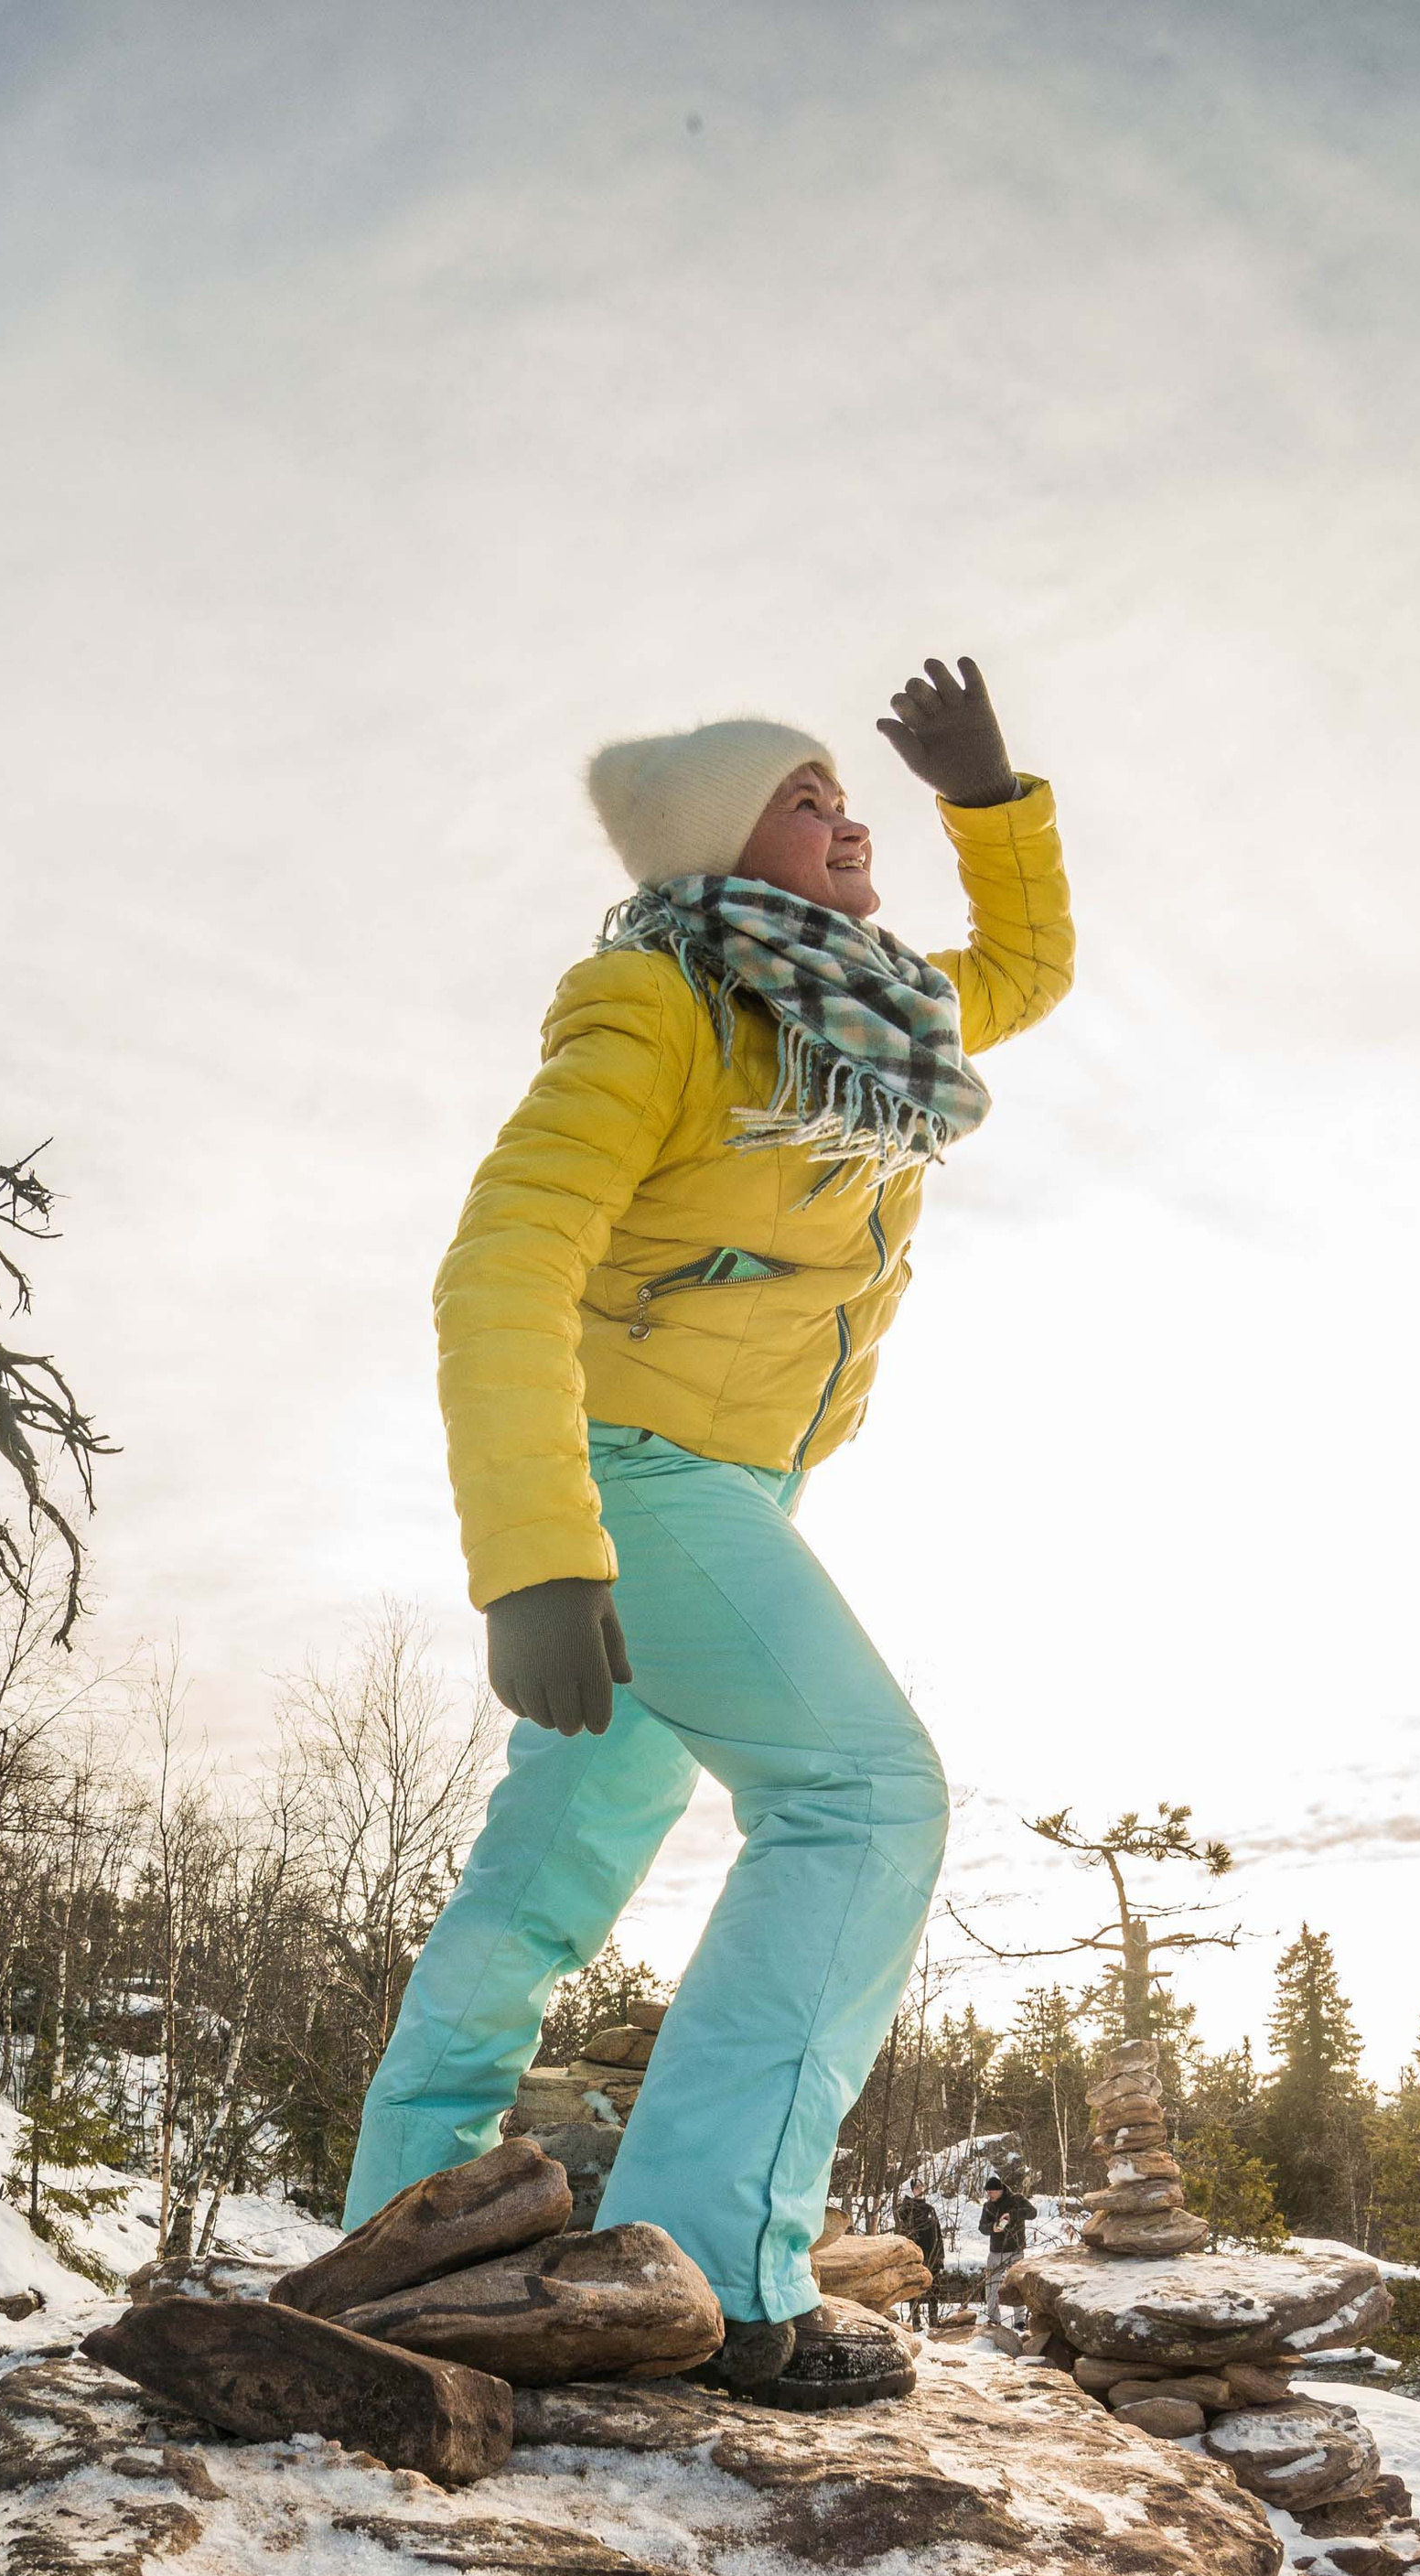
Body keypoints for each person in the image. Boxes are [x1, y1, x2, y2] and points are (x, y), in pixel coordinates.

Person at [345, 657, 1072, 2412]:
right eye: (808, 797)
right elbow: (503, 1267)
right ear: (719, 850)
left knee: (551, 1877)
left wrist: (994, 806)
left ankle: (400, 2235)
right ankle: (725, 2276)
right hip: (627, 1478)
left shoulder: (863, 1013)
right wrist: (535, 1556)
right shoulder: (652, 1007)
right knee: (863, 1798)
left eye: (848, 793)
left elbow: (1025, 974)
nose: (849, 818)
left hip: (737, 1489)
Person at [978, 2172, 1036, 2327]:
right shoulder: (988, 2206)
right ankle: (993, 2318)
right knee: (991, 2285)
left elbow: (1033, 2213)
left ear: (999, 2190)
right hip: (995, 2251)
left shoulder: (1016, 2200)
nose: (989, 2195)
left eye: (991, 2192)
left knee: (1018, 2285)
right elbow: (982, 2227)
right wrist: (992, 2228)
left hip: (1015, 2249)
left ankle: (1019, 2320)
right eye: (987, 2193)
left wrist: (1013, 2216)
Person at [892, 2180, 946, 2329]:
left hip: (933, 2254)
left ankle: (934, 2322)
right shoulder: (907, 2209)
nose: (920, 2190)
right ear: (912, 2190)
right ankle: (916, 2322)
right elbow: (903, 2223)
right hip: (917, 2256)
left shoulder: (930, 2209)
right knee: (914, 2289)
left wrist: (940, 2255)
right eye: (916, 2188)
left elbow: (938, 2234)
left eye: (922, 2187)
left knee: (934, 2289)